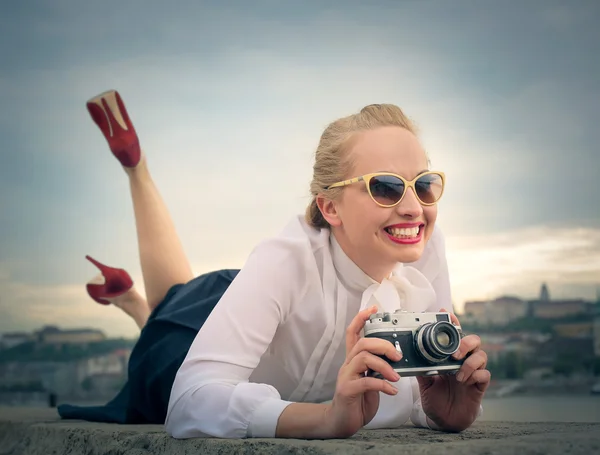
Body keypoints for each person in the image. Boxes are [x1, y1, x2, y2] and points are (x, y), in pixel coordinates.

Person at [57, 90, 490, 439]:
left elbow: (425, 376)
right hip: (197, 327)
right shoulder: (285, 258)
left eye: (426, 184)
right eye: (386, 187)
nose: (415, 208)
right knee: (170, 308)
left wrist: (438, 412)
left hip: (252, 310)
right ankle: (138, 173)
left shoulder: (426, 250)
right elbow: (190, 400)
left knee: (168, 302)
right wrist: (324, 420)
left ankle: (132, 300)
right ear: (330, 207)